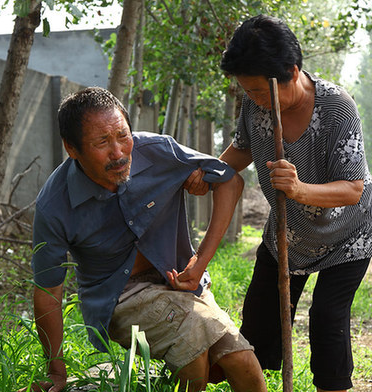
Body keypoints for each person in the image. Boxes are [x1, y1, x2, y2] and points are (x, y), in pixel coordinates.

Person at [185, 15, 372, 392]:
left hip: (348, 232)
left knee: (327, 318)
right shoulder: (253, 106)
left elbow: (353, 188)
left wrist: (299, 189)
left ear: (292, 71)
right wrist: (207, 172)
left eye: (260, 91)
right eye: (248, 91)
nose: (256, 100)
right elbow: (241, 151)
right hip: (288, 233)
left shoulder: (337, 108)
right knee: (260, 320)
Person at [24, 87, 267, 392]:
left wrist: (200, 261)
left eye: (123, 136)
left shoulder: (158, 151)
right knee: (192, 353)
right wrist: (56, 373)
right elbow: (48, 292)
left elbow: (229, 181)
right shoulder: (55, 204)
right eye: (102, 143)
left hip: (178, 282)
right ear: (72, 149)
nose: (118, 152)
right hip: (119, 298)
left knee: (241, 359)